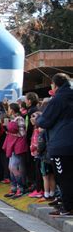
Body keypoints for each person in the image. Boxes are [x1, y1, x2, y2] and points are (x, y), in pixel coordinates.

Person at [37, 73, 73, 216]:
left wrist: (39, 119)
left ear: (55, 85)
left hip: (61, 144)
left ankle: (68, 206)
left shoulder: (58, 99)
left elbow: (44, 121)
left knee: (63, 177)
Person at [2, 103, 28, 199]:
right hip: (12, 146)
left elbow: (22, 133)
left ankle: (20, 187)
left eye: (9, 108)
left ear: (12, 110)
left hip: (17, 146)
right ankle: (14, 187)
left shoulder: (19, 119)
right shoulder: (14, 119)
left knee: (13, 167)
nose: (8, 110)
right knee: (11, 167)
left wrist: (10, 132)